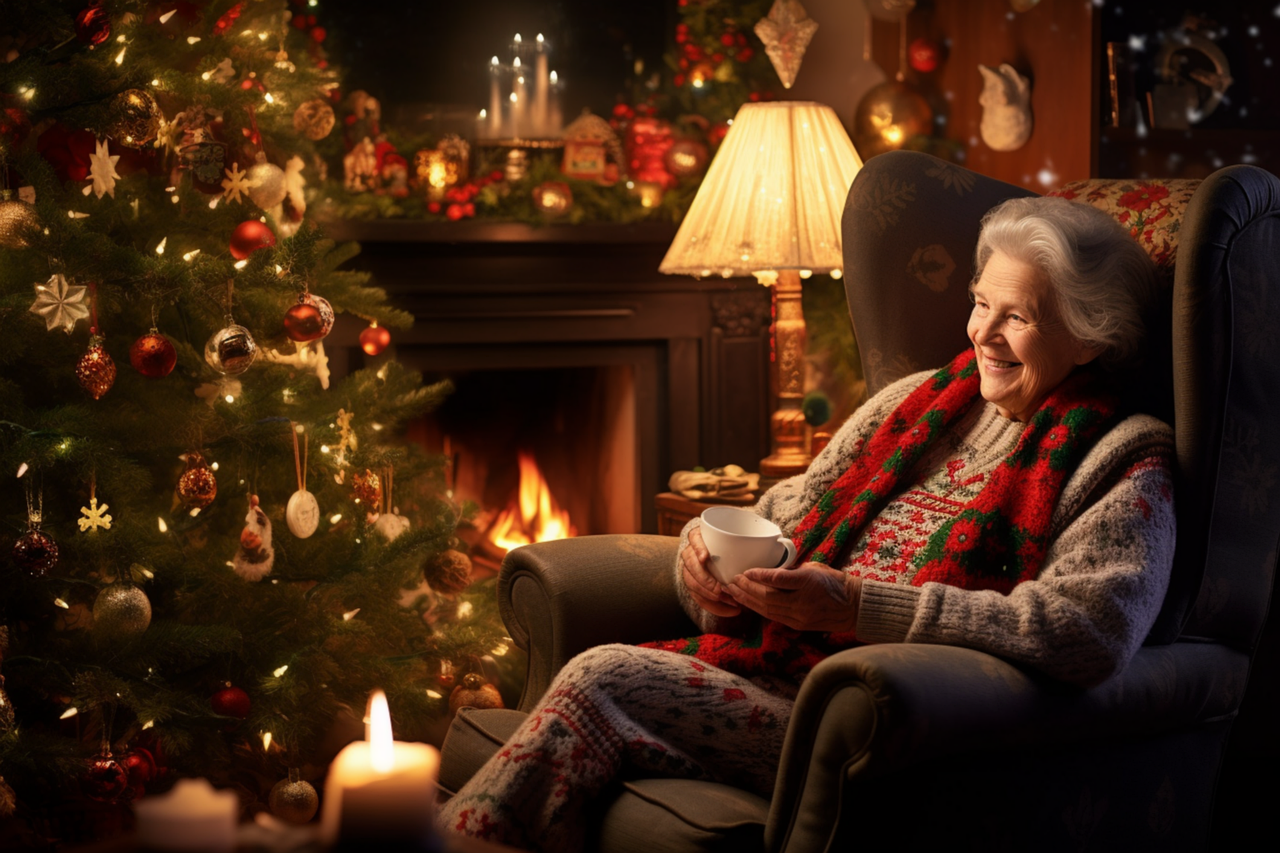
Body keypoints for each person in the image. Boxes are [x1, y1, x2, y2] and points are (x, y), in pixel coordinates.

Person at [438, 196, 1175, 852]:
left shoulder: (1123, 453)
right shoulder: (918, 401)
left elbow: (1089, 631)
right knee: (596, 696)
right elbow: (778, 515)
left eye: (1018, 316)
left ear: (1090, 335)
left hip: (879, 728)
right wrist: (700, 566)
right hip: (781, 672)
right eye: (982, 303)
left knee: (602, 675)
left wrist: (857, 608)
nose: (985, 332)